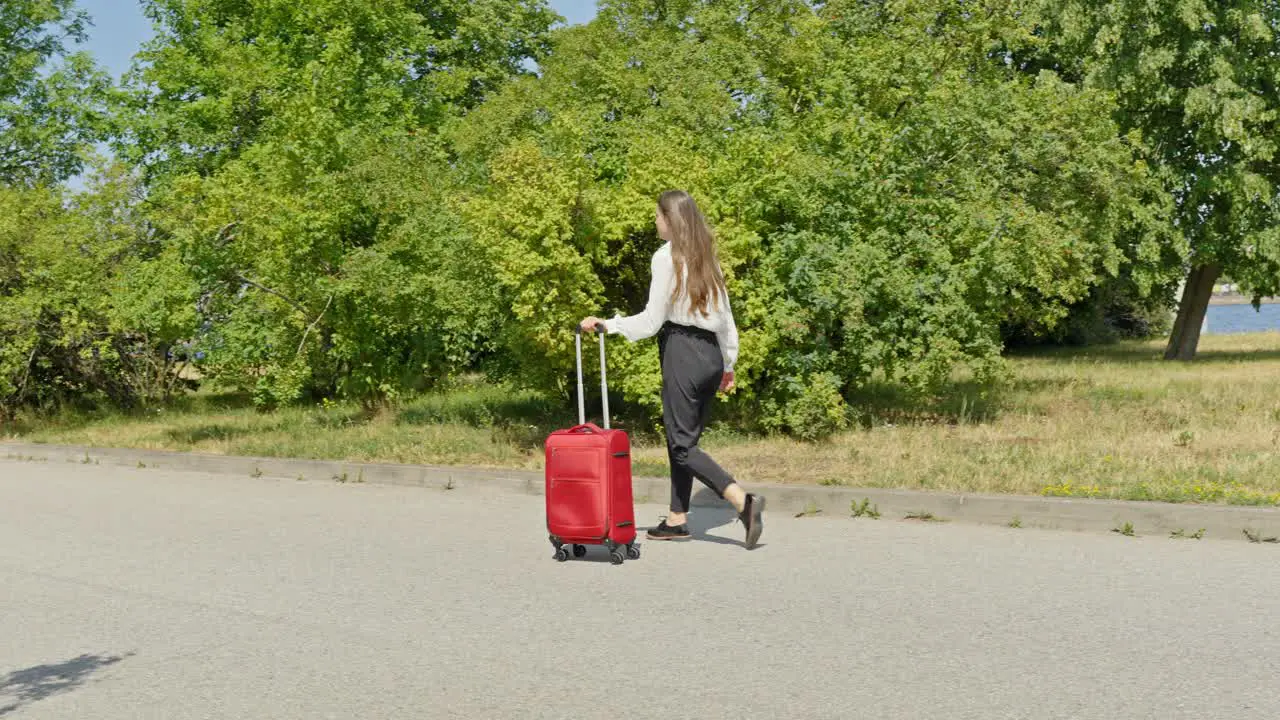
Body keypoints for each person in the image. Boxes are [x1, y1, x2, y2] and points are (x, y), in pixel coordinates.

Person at [580, 190, 765, 550]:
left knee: (681, 446)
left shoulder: (665, 258)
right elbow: (726, 319)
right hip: (710, 355)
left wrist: (609, 324)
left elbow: (651, 321)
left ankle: (744, 502)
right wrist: (728, 364)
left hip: (683, 351)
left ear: (671, 219)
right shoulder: (706, 258)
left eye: (658, 215)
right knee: (683, 439)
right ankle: (678, 518)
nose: (654, 221)